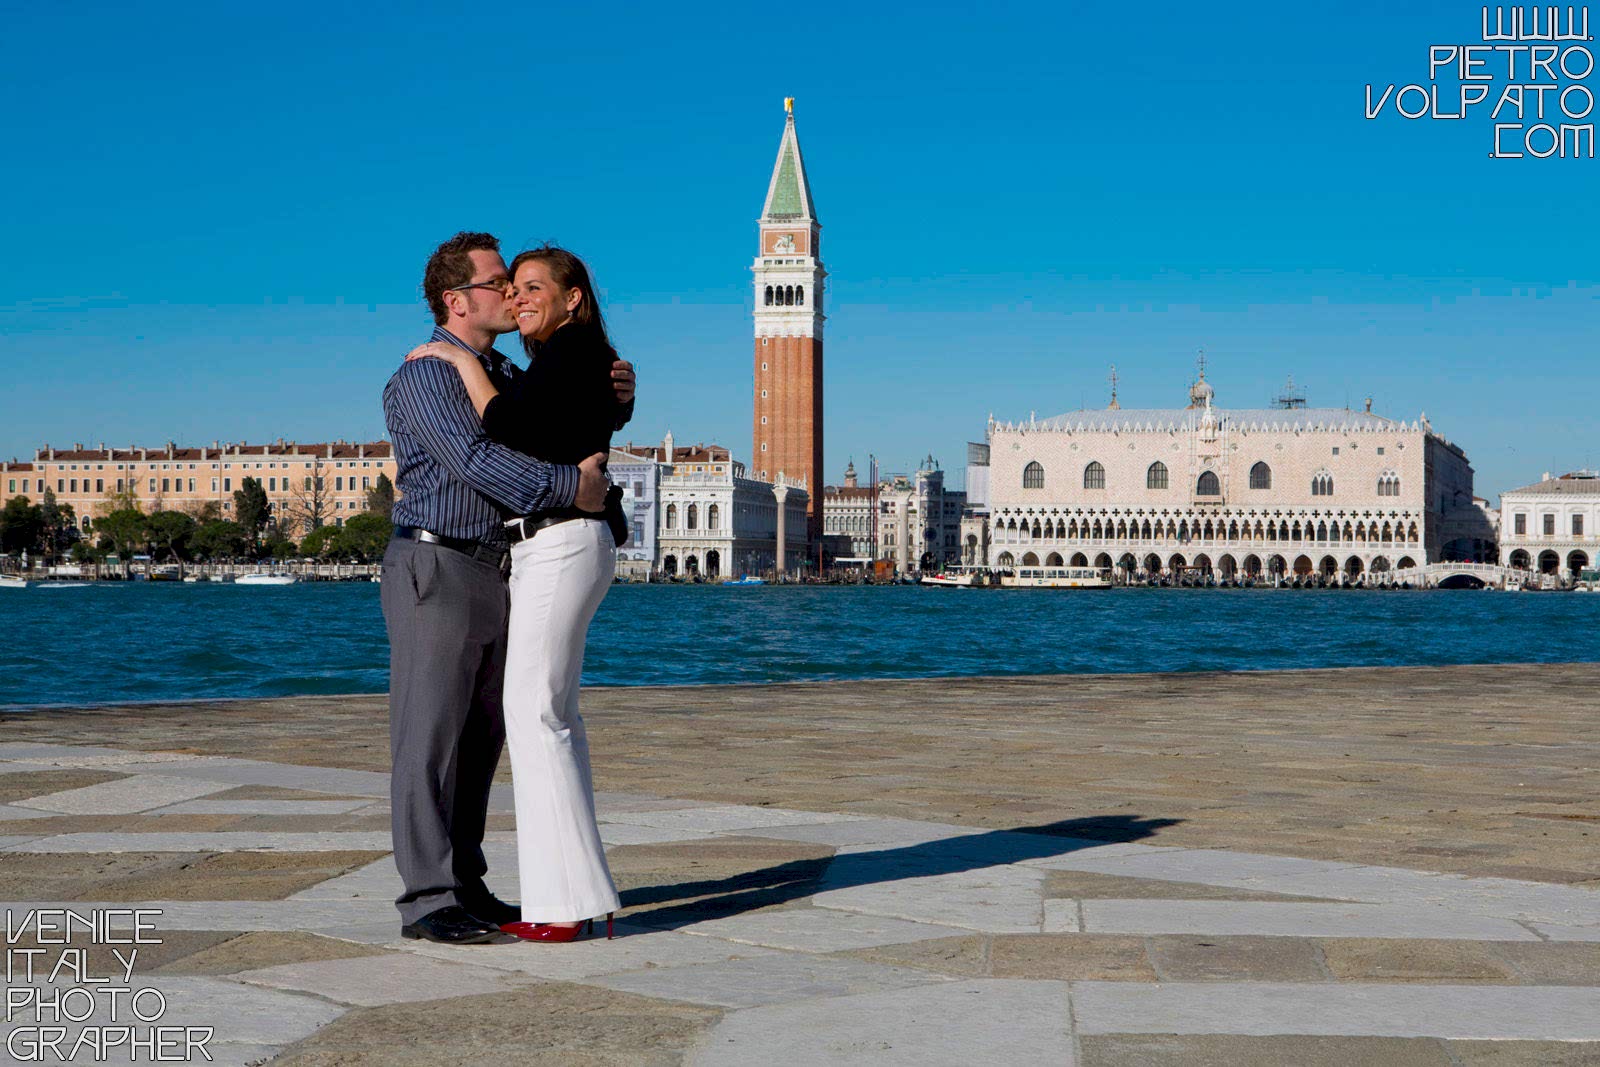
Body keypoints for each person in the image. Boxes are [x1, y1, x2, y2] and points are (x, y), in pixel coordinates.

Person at [380, 232, 635, 945]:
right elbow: (475, 460)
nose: (512, 295)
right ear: (455, 301)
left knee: (483, 736)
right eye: (498, 283)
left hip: (497, 566)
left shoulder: (501, 372)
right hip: (438, 565)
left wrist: (618, 395)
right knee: (428, 738)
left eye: (521, 286)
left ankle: (464, 880)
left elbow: (556, 420)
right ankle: (428, 899)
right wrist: (572, 488)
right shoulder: (430, 373)